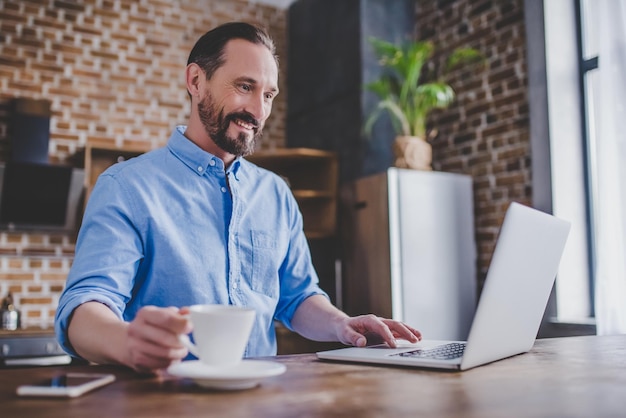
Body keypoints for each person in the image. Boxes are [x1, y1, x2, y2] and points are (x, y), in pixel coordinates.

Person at [54, 21, 421, 373]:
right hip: (160, 400)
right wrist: (127, 341)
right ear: (196, 81)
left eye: (268, 95)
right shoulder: (126, 186)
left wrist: (342, 325)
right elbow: (84, 310)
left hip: (261, 399)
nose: (259, 111)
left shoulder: (276, 193)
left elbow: (296, 298)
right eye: (245, 86)